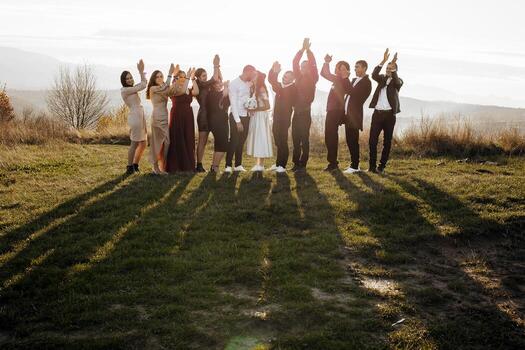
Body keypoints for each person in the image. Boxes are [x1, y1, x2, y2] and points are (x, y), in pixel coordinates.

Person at [368, 49, 403, 173]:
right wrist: (383, 61)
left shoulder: (397, 81)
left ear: (395, 70)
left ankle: (381, 167)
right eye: (387, 68)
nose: (388, 70)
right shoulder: (381, 78)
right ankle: (371, 167)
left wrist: (393, 70)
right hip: (377, 114)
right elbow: (373, 75)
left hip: (389, 116)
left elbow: (398, 82)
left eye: (391, 68)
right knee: (372, 141)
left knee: (387, 142)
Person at [146, 64, 179, 175]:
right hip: (157, 118)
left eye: (161, 76)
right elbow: (166, 88)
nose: (160, 78)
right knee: (157, 143)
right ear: (154, 79)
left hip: (165, 117)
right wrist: (169, 74)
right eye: (158, 77)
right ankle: (155, 168)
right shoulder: (153, 88)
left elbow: (172, 90)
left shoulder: (164, 87)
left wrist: (176, 77)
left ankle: (162, 166)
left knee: (167, 143)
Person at [291, 38, 318, 171]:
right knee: (295, 139)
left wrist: (308, 51)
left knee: (304, 140)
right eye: (302, 67)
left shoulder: (313, 78)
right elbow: (295, 62)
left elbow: (313, 63)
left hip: (305, 113)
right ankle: (296, 163)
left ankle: (303, 163)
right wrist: (301, 50)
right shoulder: (298, 76)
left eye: (305, 67)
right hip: (296, 113)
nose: (302, 68)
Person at [341, 60, 372, 174]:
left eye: (357, 67)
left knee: (353, 141)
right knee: (350, 141)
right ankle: (354, 165)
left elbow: (352, 93)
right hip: (347, 115)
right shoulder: (354, 80)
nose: (355, 69)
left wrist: (345, 78)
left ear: (364, 68)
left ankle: (355, 166)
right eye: (354, 67)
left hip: (354, 116)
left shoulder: (366, 82)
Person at [320, 54, 351, 171]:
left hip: (336, 111)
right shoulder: (337, 79)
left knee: (331, 136)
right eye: (338, 68)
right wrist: (326, 62)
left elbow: (349, 90)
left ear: (347, 71)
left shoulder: (343, 80)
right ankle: (333, 162)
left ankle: (333, 164)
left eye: (343, 69)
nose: (339, 70)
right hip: (331, 110)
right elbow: (324, 74)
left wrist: (345, 77)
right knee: (329, 136)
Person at [225, 65, 257, 173]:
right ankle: (228, 166)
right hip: (236, 116)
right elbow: (233, 104)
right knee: (234, 141)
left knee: (241, 141)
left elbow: (249, 99)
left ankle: (238, 165)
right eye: (252, 73)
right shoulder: (234, 84)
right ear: (247, 71)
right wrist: (238, 121)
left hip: (246, 116)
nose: (253, 75)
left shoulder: (249, 84)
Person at [166, 68, 199, 173]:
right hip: (177, 115)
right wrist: (188, 78)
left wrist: (193, 79)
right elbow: (181, 92)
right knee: (178, 137)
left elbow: (197, 91)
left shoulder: (188, 88)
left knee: (187, 137)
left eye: (184, 77)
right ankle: (177, 165)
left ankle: (188, 165)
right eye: (181, 77)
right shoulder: (174, 88)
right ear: (176, 78)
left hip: (188, 115)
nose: (183, 79)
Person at [194, 54, 221, 172]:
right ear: (198, 78)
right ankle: (199, 165)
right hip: (204, 116)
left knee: (217, 139)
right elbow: (214, 78)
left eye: (205, 75)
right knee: (202, 141)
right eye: (203, 76)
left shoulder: (208, 85)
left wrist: (218, 66)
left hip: (212, 115)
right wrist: (215, 65)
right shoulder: (200, 85)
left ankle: (214, 165)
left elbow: (218, 78)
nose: (205, 78)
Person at [120, 59, 147, 174]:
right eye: (127, 78)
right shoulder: (125, 90)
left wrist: (142, 73)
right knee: (134, 143)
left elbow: (141, 84)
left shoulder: (131, 88)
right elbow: (143, 85)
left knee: (144, 143)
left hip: (141, 115)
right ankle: (129, 167)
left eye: (131, 77)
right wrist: (141, 71)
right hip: (135, 117)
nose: (130, 80)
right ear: (123, 81)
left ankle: (135, 164)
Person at [268, 61, 296, 173]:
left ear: (292, 79)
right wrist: (274, 71)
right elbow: (271, 80)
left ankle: (282, 165)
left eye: (287, 77)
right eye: (284, 76)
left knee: (282, 140)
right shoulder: (280, 86)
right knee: (277, 139)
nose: (284, 78)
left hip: (285, 119)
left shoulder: (293, 89)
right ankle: (278, 163)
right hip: (276, 118)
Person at [245, 71, 273, 171]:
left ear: (259, 77)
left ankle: (260, 165)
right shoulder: (253, 89)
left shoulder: (261, 89)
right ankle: (257, 164)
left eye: (255, 75)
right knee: (257, 139)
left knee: (261, 138)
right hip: (255, 117)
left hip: (261, 117)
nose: (252, 76)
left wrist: (254, 109)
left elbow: (267, 106)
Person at [207, 79, 230, 172]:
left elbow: (226, 98)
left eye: (220, 82)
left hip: (223, 122)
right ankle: (215, 167)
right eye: (217, 83)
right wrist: (226, 86)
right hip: (217, 122)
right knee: (222, 145)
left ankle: (214, 167)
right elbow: (224, 94)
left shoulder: (220, 94)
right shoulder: (212, 94)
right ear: (213, 85)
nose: (220, 84)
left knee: (219, 145)